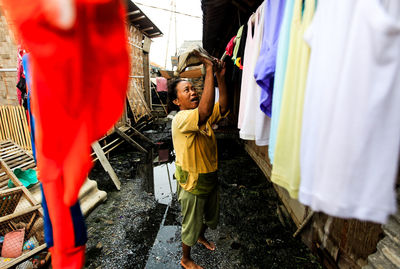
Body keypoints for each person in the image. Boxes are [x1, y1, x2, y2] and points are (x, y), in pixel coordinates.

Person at [168, 55, 229, 269]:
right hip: (193, 183)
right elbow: (204, 112)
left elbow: (221, 107)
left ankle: (201, 237)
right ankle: (186, 259)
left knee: (208, 216)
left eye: (194, 88)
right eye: (187, 90)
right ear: (177, 101)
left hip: (209, 177)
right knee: (191, 223)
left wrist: (220, 78)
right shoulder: (181, 118)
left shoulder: (198, 115)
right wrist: (209, 69)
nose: (193, 92)